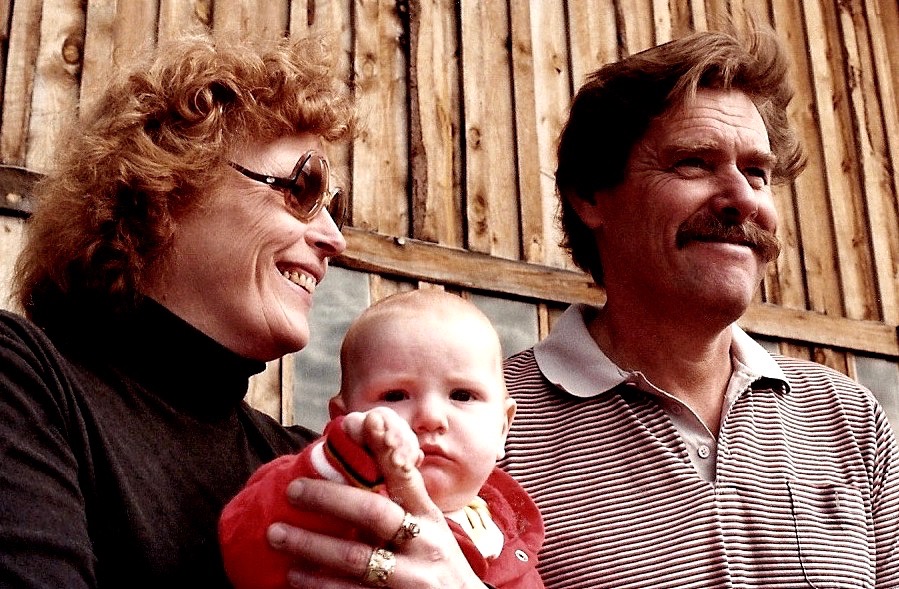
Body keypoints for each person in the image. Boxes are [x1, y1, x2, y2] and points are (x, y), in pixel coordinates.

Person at [267, 21, 899, 589]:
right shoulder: (477, 422)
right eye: (693, 163)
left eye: (757, 173)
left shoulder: (850, 416)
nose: (742, 198)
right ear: (592, 196)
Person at [0, 31, 361, 587]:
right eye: (303, 186)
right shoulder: (24, 381)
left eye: (336, 206)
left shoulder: (300, 462)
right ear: (163, 189)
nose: (334, 237)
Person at [218, 289, 544, 589]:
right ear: (341, 418)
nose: (430, 417)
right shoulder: (330, 492)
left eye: (462, 394)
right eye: (394, 395)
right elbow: (244, 545)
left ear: (503, 428)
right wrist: (341, 458)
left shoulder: (511, 536)